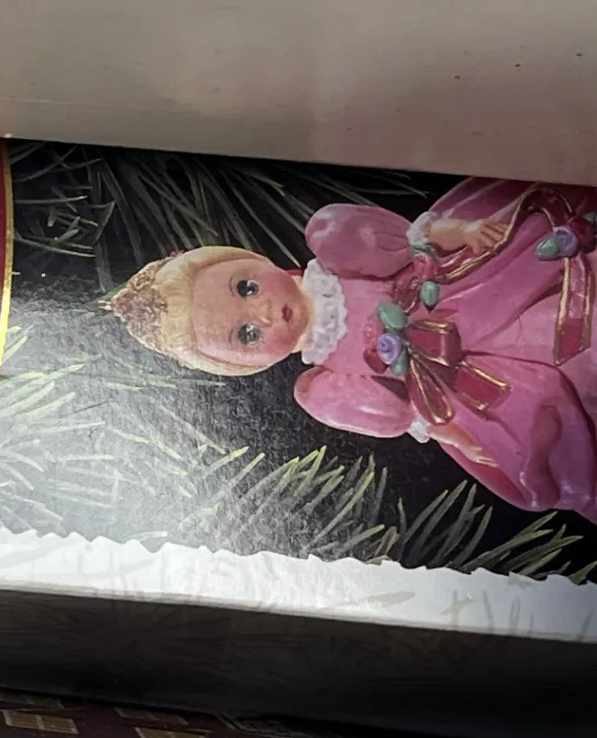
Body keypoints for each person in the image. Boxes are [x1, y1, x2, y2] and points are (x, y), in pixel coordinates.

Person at [107, 178, 596, 523]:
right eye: (247, 335)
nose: (264, 313)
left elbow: (416, 241)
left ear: (248, 260)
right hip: (455, 378)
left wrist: (462, 234)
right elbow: (405, 413)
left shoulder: (334, 250)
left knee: (547, 286)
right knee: (543, 401)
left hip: (464, 290)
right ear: (246, 365)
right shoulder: (321, 388)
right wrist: (457, 434)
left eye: (246, 288)